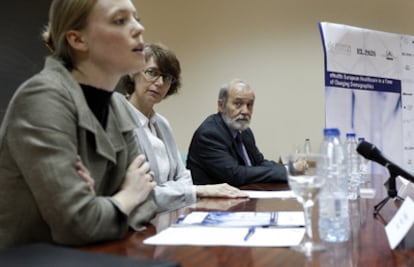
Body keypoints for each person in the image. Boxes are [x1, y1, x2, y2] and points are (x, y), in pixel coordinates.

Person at [0, 0, 157, 248]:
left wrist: (101, 205)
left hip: (95, 254)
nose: (139, 28)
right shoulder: (42, 96)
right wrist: (126, 196)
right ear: (78, 39)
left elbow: (148, 199)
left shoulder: (116, 104)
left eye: (136, 18)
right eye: (120, 20)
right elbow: (78, 223)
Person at [118, 43, 248, 212]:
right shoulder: (121, 121)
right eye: (152, 73)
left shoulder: (162, 124)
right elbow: (143, 193)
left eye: (167, 77)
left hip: (172, 215)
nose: (159, 82)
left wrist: (181, 191)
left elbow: (183, 177)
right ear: (133, 73)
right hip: (141, 223)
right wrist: (198, 190)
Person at [186, 79, 287, 187]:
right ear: (221, 105)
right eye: (238, 104)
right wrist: (284, 173)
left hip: (241, 195)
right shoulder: (209, 134)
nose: (245, 111)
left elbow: (259, 163)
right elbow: (235, 175)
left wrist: (290, 169)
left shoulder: (244, 131)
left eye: (249, 105)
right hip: (209, 201)